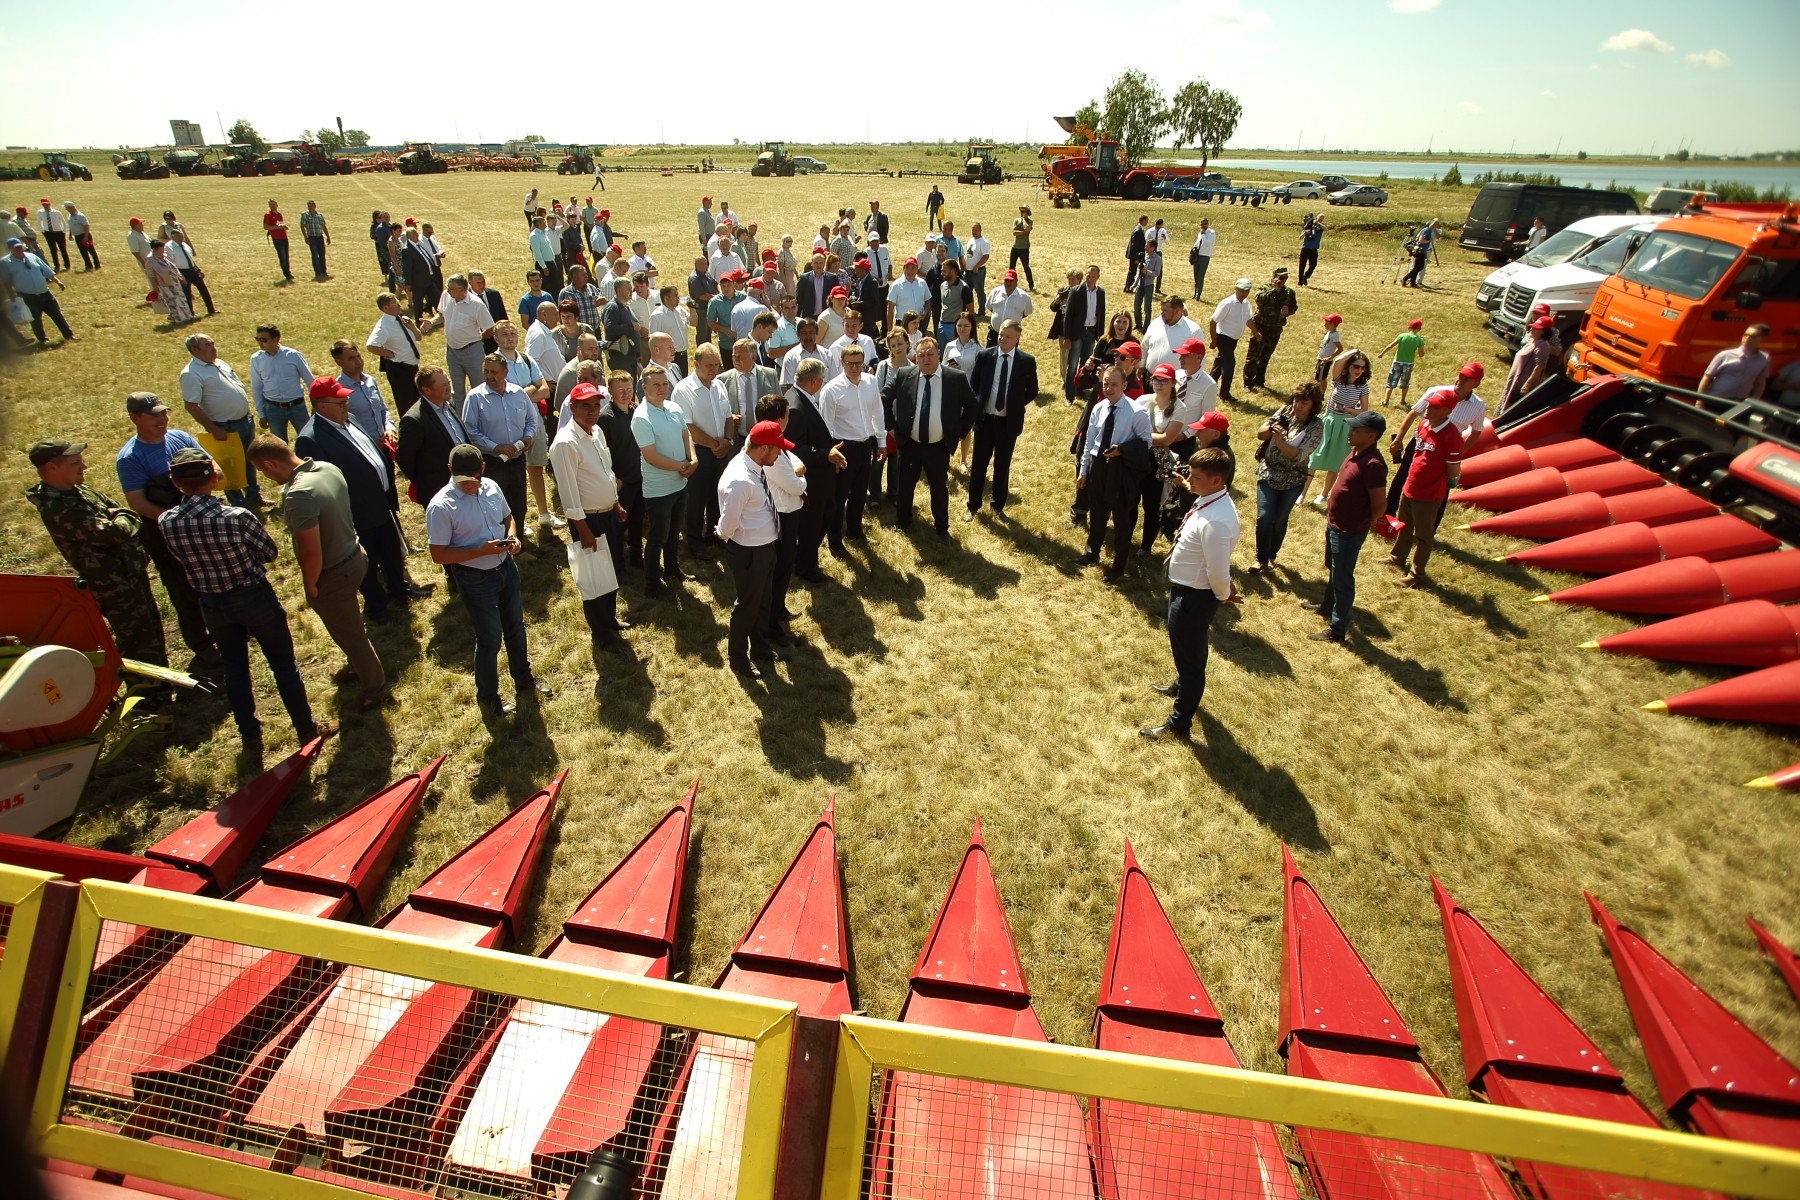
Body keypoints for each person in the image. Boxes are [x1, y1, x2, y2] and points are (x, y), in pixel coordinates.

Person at [160, 447, 331, 747]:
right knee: (282, 663)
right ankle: (305, 728)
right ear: (213, 478)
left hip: (212, 603)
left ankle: (248, 732)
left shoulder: (167, 521)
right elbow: (269, 552)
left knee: (234, 667)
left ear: (176, 483)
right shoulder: (236, 516)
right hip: (252, 596)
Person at [246, 436, 387, 710]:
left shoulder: (299, 494)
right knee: (350, 625)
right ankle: (356, 666)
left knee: (352, 635)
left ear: (270, 463)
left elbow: (311, 551)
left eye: (262, 470)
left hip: (332, 573)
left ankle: (375, 689)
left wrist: (310, 585)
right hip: (356, 556)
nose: (264, 476)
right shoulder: (326, 468)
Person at [427, 446, 550, 719]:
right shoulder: (441, 506)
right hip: (475, 578)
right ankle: (488, 698)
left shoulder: (492, 486)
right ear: (451, 473)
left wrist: (513, 537)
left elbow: (507, 518)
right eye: (464, 482)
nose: (471, 486)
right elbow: (438, 554)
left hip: (506, 568)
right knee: (490, 639)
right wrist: (482, 550)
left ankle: (523, 678)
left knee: (516, 628)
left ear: (482, 469)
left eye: (475, 479)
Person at [25, 438, 168, 665]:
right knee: (136, 640)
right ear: (51, 468)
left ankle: (163, 683)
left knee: (150, 629)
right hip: (111, 586)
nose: (84, 467)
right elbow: (114, 530)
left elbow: (119, 510)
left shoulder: (79, 490)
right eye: (75, 463)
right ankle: (148, 695)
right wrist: (125, 518)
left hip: (128, 573)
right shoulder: (58, 508)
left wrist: (121, 517)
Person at [294, 376, 416, 622]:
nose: (345, 404)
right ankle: (377, 607)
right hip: (357, 511)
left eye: (345, 399)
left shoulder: (349, 419)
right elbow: (321, 484)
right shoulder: (311, 439)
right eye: (339, 401)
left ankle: (399, 591)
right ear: (321, 406)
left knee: (390, 551)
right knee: (368, 562)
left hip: (380, 502)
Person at [1140, 447, 1240, 740]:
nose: (1189, 480)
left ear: (1217, 479)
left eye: (1195, 477)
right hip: (1187, 589)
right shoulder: (1210, 500)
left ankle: (1179, 724)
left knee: (1191, 662)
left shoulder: (1218, 521)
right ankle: (1181, 685)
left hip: (1195, 596)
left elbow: (1218, 570)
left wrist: (1223, 594)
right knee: (1187, 653)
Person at [115, 392, 218, 665]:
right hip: (165, 533)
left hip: (201, 521)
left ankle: (226, 626)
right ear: (135, 418)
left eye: (164, 413)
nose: (163, 419)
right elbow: (138, 502)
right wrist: (179, 520)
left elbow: (214, 467)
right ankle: (201, 642)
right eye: (154, 415)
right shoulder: (130, 458)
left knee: (214, 574)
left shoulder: (180, 438)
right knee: (182, 587)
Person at [548, 383, 630, 654]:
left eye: (596, 405)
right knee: (594, 577)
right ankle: (601, 632)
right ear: (572, 407)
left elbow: (606, 471)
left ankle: (609, 618)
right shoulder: (565, 444)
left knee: (611, 570)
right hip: (588, 520)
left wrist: (615, 503)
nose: (592, 411)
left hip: (607, 513)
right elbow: (569, 494)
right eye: (586, 406)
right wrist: (581, 528)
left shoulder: (596, 433)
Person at [716, 420, 790, 678]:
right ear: (763, 449)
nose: (780, 454)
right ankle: (738, 657)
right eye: (777, 449)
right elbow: (728, 523)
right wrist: (721, 533)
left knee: (763, 601)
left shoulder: (753, 463)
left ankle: (759, 647)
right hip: (749, 553)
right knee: (747, 605)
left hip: (764, 548)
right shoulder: (740, 480)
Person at [1307, 411, 1387, 644]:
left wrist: (1365, 522)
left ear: (1371, 436)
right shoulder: (1354, 452)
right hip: (1335, 524)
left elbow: (1380, 504)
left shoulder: (1373, 465)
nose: (1350, 433)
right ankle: (1326, 606)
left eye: (1356, 430)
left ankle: (1337, 629)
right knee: (1332, 568)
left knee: (1342, 578)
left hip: (1349, 530)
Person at [883, 337, 976, 538]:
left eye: (930, 354)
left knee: (939, 489)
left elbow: (972, 404)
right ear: (915, 357)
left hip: (938, 446)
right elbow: (884, 397)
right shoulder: (904, 374)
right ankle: (904, 521)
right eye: (921, 355)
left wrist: (961, 431)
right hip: (910, 444)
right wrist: (890, 426)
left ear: (939, 354)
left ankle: (942, 527)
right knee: (905, 487)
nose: (926, 359)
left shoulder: (955, 378)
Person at [1077, 366, 1154, 580]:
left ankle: (1118, 566)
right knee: (1097, 512)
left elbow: (1146, 441)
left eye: (1113, 384)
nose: (1108, 388)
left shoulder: (1136, 412)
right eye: (1105, 384)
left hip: (1120, 469)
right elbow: (1089, 441)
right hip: (1098, 466)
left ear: (1124, 385)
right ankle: (1092, 552)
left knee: (1121, 519)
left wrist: (1122, 450)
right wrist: (1084, 471)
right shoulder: (1099, 408)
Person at [1385, 385, 1463, 588]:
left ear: (1447, 411)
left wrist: (1433, 481)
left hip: (1429, 495)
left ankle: (1416, 574)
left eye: (1435, 406)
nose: (1428, 409)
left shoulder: (1452, 436)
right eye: (1429, 404)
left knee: (1423, 536)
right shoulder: (1424, 425)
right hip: (1410, 487)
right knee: (1405, 526)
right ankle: (1397, 556)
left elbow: (1453, 472)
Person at [1386, 364, 1486, 517]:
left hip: (1445, 453)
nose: (1461, 380)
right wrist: (1399, 439)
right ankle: (1387, 512)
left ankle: (1429, 527)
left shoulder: (1478, 406)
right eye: (1460, 376)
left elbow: (1476, 432)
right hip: (1421, 443)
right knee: (1404, 475)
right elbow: (1413, 414)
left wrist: (1459, 453)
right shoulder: (1436, 391)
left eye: (1467, 379)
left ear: (1477, 384)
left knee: (1441, 488)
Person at [634, 364, 698, 595]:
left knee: (673, 532)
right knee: (657, 537)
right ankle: (652, 585)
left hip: (679, 482)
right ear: (644, 388)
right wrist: (682, 466)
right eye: (656, 385)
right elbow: (650, 456)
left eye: (664, 384)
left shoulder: (673, 407)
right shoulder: (641, 417)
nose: (662, 389)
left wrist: (693, 459)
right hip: (659, 489)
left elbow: (685, 434)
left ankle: (672, 569)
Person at [461, 353, 540, 539]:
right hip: (493, 463)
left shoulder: (518, 393)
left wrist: (528, 437)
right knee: (496, 508)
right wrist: (496, 447)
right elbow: (470, 431)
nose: (489, 376)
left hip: (517, 460)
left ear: (505, 372)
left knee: (519, 505)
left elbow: (531, 419)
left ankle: (518, 543)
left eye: (494, 372)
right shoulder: (475, 397)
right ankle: (500, 546)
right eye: (486, 371)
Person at [965, 320, 1038, 520]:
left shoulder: (1026, 361)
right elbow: (974, 384)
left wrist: (1015, 404)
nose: (1002, 339)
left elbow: (1033, 390)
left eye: (1007, 336)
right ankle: (972, 506)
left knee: (1002, 466)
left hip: (1008, 423)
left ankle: (997, 506)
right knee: (979, 464)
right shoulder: (985, 356)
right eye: (1001, 335)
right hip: (986, 420)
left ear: (1017, 338)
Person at [179, 333, 261, 508]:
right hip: (224, 427)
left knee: (249, 461)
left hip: (244, 421)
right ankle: (238, 503)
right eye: (207, 345)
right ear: (194, 350)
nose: (213, 348)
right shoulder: (191, 374)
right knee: (230, 467)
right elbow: (191, 406)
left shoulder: (220, 363)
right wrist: (214, 429)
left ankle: (254, 497)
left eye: (213, 343)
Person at [1251, 384, 1325, 572]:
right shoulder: (1285, 411)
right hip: (1268, 472)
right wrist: (1271, 429)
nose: (1298, 405)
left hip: (1293, 479)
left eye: (1304, 402)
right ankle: (1260, 559)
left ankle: (1271, 554)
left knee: (1279, 519)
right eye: (1296, 400)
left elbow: (1297, 455)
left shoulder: (1316, 425)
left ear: (1313, 405)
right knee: (1264, 516)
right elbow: (1260, 434)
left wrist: (1280, 441)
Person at [818, 342, 883, 552]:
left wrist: (880, 442)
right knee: (839, 497)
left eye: (859, 364)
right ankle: (835, 541)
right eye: (850, 364)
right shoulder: (831, 390)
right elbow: (826, 427)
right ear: (841, 362)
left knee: (859, 494)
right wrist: (832, 455)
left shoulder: (871, 382)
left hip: (865, 446)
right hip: (844, 448)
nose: (855, 368)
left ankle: (855, 532)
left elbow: (877, 413)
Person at [754, 393, 806, 646]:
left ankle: (779, 609)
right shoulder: (770, 451)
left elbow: (794, 460)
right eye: (786, 414)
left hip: (788, 513)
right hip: (782, 516)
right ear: (778, 419)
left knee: (784, 570)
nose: (789, 418)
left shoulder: (776, 442)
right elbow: (795, 487)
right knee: (779, 570)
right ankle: (771, 626)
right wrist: (801, 477)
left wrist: (798, 470)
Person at [1307, 348, 1374, 505]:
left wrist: (1347, 410)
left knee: (1336, 463)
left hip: (1345, 426)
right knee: (1314, 459)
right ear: (1348, 366)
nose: (1359, 370)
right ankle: (1302, 493)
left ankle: (1323, 495)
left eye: (1363, 367)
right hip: (1328, 422)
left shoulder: (1363, 387)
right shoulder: (1337, 379)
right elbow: (1337, 361)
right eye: (1356, 366)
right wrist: (1356, 350)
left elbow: (1364, 411)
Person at [595, 370, 644, 570]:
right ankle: (617, 564)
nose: (625, 394)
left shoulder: (637, 411)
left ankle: (636, 556)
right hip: (621, 481)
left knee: (638, 521)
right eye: (620, 390)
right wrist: (614, 479)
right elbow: (601, 454)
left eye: (629, 389)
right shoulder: (605, 418)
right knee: (619, 525)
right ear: (610, 391)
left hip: (640, 478)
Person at [429, 274, 498, 416]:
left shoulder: (476, 304)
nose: (448, 291)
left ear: (462, 289)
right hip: (452, 351)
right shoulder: (447, 296)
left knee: (479, 389)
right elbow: (441, 315)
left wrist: (478, 339)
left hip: (472, 352)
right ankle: (462, 422)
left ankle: (483, 418)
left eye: (451, 289)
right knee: (457, 391)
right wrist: (431, 322)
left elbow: (490, 327)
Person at [1, 236, 76, 347]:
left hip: (45, 292)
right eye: (16, 248)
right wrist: (12, 295)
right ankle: (42, 339)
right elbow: (6, 281)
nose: (19, 249)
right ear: (10, 249)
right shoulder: (5, 263)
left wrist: (58, 282)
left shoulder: (32, 257)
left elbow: (46, 270)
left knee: (56, 314)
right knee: (36, 318)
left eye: (20, 247)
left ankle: (69, 335)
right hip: (27, 296)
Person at [366, 292, 423, 411]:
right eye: (396, 303)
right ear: (386, 308)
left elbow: (418, 337)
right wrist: (388, 353)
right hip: (400, 370)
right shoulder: (384, 326)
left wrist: (412, 326)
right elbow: (371, 346)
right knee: (406, 405)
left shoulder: (402, 320)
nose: (400, 305)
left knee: (419, 403)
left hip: (413, 368)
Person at [1242, 267, 1297, 391]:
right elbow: (1260, 301)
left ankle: (1259, 380)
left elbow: (1294, 306)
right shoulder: (1264, 289)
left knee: (1266, 356)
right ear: (1273, 276)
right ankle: (1248, 383)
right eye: (1280, 278)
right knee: (1253, 357)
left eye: (1285, 278)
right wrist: (1274, 289)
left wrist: (1289, 311)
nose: (1282, 281)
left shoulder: (1289, 292)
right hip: (1261, 327)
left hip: (1275, 329)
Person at [1063, 265, 1106, 403]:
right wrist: (1067, 337)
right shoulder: (1076, 291)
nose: (1090, 278)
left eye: (1093, 276)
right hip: (1077, 332)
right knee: (1073, 364)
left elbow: (1101, 314)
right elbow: (1068, 316)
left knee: (1086, 363)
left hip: (1092, 331)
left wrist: (1100, 334)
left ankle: (1079, 389)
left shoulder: (1100, 292)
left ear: (1098, 277)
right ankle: (1069, 395)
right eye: (1088, 276)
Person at [1699, 324, 1772, 400]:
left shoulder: (1764, 359)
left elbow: (1760, 382)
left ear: (1763, 339)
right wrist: (1699, 401)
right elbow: (1706, 378)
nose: (1747, 338)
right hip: (1717, 398)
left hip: (1739, 401)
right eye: (1745, 335)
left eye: (1753, 336)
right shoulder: (1725, 355)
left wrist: (1755, 401)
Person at [1208, 279, 1252, 402]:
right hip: (1223, 338)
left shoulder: (1246, 304)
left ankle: (1208, 386)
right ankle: (1224, 394)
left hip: (1233, 340)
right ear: (1236, 289)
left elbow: (1248, 320)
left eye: (1247, 291)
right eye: (1242, 291)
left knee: (1219, 363)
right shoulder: (1227, 304)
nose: (1244, 293)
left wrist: (1256, 332)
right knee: (1230, 364)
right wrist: (1214, 340)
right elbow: (1213, 321)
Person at [1500, 317, 1557, 412]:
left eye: (1536, 328)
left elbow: (1540, 366)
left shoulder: (1542, 345)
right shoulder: (1532, 342)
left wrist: (1527, 384)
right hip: (1515, 381)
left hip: (1521, 385)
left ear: (1543, 331)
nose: (1532, 329)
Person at [1140, 295, 1202, 377]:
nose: (1161, 313)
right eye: (1161, 310)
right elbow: (1144, 348)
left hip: (1175, 383)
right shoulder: (1155, 323)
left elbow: (1199, 360)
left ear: (1177, 311)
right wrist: (1140, 369)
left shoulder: (1193, 331)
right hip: (1149, 378)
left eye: (1165, 311)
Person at [163, 229, 213, 316]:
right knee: (187, 293)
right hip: (182, 271)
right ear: (172, 237)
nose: (180, 238)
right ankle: (190, 313)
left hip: (192, 270)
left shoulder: (185, 245)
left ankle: (211, 309)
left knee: (203, 289)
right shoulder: (168, 247)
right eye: (178, 236)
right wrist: (179, 275)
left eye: (181, 236)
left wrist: (198, 269)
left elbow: (190, 259)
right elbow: (171, 262)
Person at [1379, 318, 1427, 407]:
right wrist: (1421, 346)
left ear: (1409, 327)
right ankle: (1402, 400)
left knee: (1391, 382)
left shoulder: (1402, 336)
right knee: (1405, 382)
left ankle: (1386, 401)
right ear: (1419, 329)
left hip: (1397, 362)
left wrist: (1382, 353)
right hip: (1408, 364)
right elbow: (1421, 354)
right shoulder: (1419, 340)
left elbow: (1390, 345)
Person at [145, 241, 194, 324]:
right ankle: (177, 319)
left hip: (174, 281)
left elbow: (174, 267)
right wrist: (155, 287)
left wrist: (180, 277)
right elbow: (151, 275)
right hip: (164, 284)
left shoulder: (166, 255)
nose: (162, 251)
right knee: (172, 301)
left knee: (181, 299)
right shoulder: (150, 260)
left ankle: (187, 316)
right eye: (160, 250)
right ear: (154, 249)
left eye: (163, 249)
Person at [398, 225, 441, 322]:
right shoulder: (407, 250)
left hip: (429, 278)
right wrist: (408, 283)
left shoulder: (418, 245)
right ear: (409, 236)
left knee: (437, 297)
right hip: (418, 281)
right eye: (415, 234)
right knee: (418, 301)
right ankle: (418, 320)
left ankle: (442, 316)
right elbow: (407, 267)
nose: (417, 235)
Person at [1401, 218, 1440, 288]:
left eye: (1436, 225)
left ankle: (1413, 283)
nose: (1434, 226)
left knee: (1416, 267)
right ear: (1430, 223)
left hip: (1423, 250)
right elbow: (1421, 240)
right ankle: (1405, 278)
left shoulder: (1430, 231)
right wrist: (1429, 241)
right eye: (1433, 224)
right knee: (1420, 267)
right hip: (1420, 250)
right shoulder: (1426, 230)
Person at [34, 198, 70, 272]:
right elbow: (39, 222)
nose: (45, 206)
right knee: (53, 250)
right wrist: (43, 231)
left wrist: (63, 231)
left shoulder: (56, 212)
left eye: (46, 204)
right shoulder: (40, 212)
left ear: (49, 204)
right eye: (43, 205)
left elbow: (63, 222)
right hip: (48, 233)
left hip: (59, 233)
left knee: (63, 249)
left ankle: (67, 265)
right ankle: (57, 265)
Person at [262, 199, 294, 281]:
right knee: (282, 256)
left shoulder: (279, 214)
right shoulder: (268, 215)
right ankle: (287, 274)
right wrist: (278, 227)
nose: (273, 206)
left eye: (274, 204)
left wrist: (283, 227)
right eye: (271, 205)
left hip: (284, 237)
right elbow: (266, 227)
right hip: (277, 239)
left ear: (277, 205)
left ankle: (288, 272)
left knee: (286, 256)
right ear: (269, 206)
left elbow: (279, 223)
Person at [298, 201, 330, 278]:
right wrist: (305, 237)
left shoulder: (319, 215)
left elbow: (323, 226)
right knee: (314, 255)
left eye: (311, 206)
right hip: (312, 238)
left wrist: (328, 236)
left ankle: (323, 271)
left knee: (322, 255)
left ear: (315, 206)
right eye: (308, 206)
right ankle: (317, 272)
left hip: (320, 237)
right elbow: (302, 226)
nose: (310, 207)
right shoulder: (305, 215)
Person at [65, 201, 99, 271]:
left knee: (91, 251)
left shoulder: (80, 216)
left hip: (84, 235)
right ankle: (88, 266)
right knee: (83, 252)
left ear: (71, 207)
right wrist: (70, 234)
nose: (66, 209)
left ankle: (97, 265)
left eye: (67, 208)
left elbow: (86, 225)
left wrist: (86, 236)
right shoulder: (70, 216)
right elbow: (71, 225)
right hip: (77, 236)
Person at [1188, 218, 1216, 300]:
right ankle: (1195, 293)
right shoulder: (1200, 233)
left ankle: (1198, 294)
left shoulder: (1211, 233)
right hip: (1197, 255)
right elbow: (1197, 242)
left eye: (1205, 224)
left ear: (1207, 224)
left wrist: (1203, 235)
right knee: (1196, 276)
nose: (1203, 226)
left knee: (1201, 276)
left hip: (1205, 256)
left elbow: (1208, 243)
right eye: (1202, 224)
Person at [1009, 205, 1034, 290]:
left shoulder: (1030, 221)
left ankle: (1031, 284)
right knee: (1012, 266)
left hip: (1024, 248)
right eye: (1021, 211)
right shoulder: (1016, 220)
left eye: (1024, 211)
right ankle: (1011, 283)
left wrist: (1024, 219)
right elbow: (1014, 233)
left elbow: (1027, 228)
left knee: (1026, 267)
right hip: (1015, 247)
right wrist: (1024, 232)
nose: (1022, 213)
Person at [1314, 313, 1343, 383]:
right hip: (1321, 358)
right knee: (1319, 377)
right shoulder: (1329, 333)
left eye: (1326, 323)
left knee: (1321, 379)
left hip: (1325, 361)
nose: (1324, 325)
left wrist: (1329, 358)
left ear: (1332, 324)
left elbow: (1340, 349)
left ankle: (1320, 393)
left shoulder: (1334, 336)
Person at [1297, 213, 1324, 286]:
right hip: (1305, 248)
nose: (1320, 220)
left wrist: (1318, 223)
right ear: (1316, 218)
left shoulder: (1320, 228)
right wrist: (1305, 233)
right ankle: (1300, 282)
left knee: (1313, 265)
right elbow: (1300, 238)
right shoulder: (1308, 226)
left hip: (1314, 249)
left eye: (1322, 219)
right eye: (1319, 218)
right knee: (1302, 265)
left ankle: (1305, 276)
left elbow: (1326, 228)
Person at [1125, 216, 1149, 293]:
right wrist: (1137, 258)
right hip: (1134, 256)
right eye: (1146, 220)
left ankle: (1129, 287)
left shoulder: (1138, 229)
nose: (1147, 222)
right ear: (1143, 220)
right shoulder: (1138, 230)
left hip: (1135, 255)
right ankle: (1128, 287)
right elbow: (1135, 245)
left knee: (1132, 272)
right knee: (1132, 272)